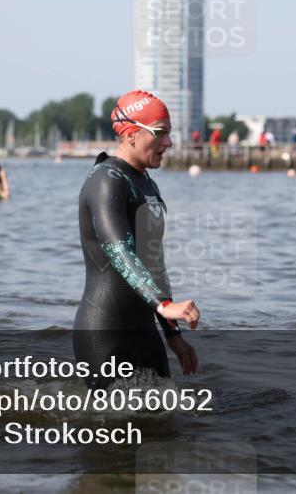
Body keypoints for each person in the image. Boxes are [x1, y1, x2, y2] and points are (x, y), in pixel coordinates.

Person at [74, 90, 199, 389]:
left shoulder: (147, 184)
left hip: (144, 329)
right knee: (109, 418)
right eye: (160, 132)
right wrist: (163, 305)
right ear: (131, 134)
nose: (168, 143)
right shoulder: (105, 180)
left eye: (169, 133)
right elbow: (119, 251)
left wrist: (173, 334)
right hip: (105, 329)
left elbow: (154, 263)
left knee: (167, 414)